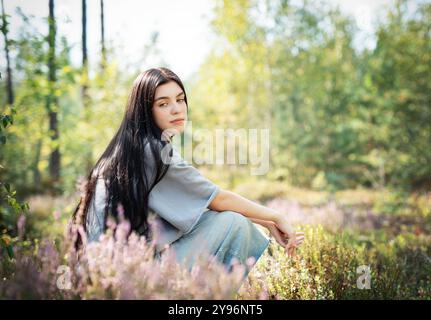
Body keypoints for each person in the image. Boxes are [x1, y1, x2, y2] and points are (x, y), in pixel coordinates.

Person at [72, 67, 304, 279]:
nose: (176, 109)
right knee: (233, 223)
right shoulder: (154, 150)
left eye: (180, 99)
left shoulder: (128, 149)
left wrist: (264, 222)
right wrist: (277, 216)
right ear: (145, 111)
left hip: (103, 274)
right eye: (163, 104)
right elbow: (218, 199)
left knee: (226, 219)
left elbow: (200, 207)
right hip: (131, 277)